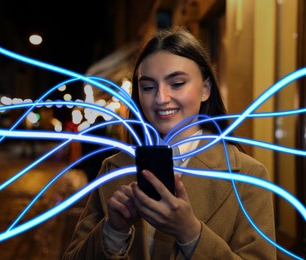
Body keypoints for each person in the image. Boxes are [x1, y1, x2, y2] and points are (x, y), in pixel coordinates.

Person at [62, 26, 276, 259]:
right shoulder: (114, 168)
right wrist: (112, 231)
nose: (161, 98)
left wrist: (191, 233)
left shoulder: (248, 176)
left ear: (205, 89)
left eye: (177, 83)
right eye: (148, 87)